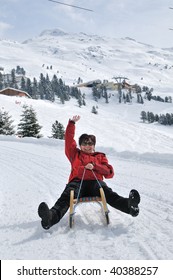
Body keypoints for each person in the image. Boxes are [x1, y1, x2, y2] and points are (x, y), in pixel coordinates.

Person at [38, 115, 140, 229]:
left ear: (94, 146)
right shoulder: (74, 154)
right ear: (80, 146)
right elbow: (68, 140)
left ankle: (129, 206)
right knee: (66, 197)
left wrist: (95, 166)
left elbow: (109, 172)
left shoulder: (100, 156)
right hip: (77, 183)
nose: (87, 146)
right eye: (84, 144)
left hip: (95, 184)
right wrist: (71, 124)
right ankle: (50, 217)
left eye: (90, 144)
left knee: (108, 193)